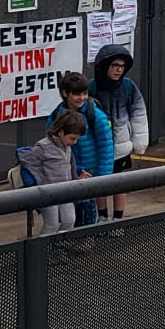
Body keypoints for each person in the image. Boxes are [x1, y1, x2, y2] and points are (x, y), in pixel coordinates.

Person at [91, 44, 151, 221]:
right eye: (115, 65)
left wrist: (140, 142)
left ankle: (118, 219)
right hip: (100, 145)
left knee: (119, 182)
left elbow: (139, 113)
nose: (119, 70)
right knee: (100, 181)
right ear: (105, 66)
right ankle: (102, 217)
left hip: (121, 145)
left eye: (122, 66)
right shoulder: (93, 87)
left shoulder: (128, 86)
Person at [52, 72, 113, 226]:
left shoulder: (96, 116)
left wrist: (103, 178)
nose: (82, 98)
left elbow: (106, 147)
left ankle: (85, 238)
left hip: (89, 175)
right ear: (65, 93)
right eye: (77, 94)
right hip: (68, 175)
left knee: (86, 215)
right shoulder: (56, 115)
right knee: (67, 216)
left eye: (84, 93)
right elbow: (52, 144)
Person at [19, 111, 88, 235]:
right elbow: (30, 165)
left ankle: (59, 243)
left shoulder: (67, 146)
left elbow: (66, 164)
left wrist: (78, 170)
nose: (74, 142)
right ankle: (44, 245)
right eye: (72, 138)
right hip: (48, 192)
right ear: (61, 132)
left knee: (69, 220)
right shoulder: (43, 146)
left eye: (77, 139)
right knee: (52, 224)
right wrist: (34, 187)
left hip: (66, 189)